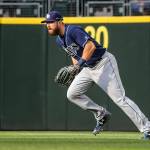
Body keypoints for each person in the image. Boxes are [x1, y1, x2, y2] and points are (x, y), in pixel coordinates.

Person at [41, 10, 150, 139]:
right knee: (72, 94)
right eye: (46, 23)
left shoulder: (73, 30)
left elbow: (90, 46)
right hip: (87, 68)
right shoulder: (59, 40)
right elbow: (74, 55)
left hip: (103, 63)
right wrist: (76, 70)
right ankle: (101, 113)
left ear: (60, 22)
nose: (48, 25)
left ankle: (147, 128)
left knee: (120, 99)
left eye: (51, 22)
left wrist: (78, 65)